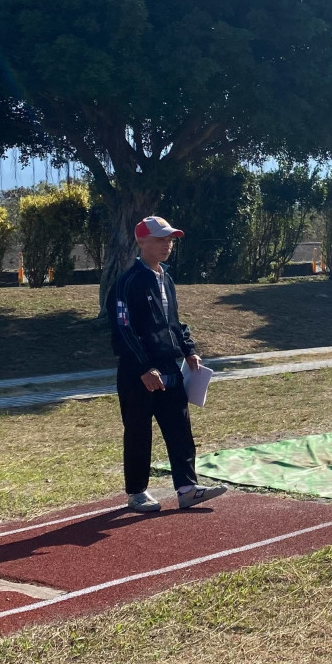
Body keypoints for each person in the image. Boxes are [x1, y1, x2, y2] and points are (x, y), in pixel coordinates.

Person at [106, 215, 226, 512]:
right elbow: (123, 328)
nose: (167, 245)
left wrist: (188, 349)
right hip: (139, 371)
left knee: (179, 427)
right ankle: (136, 492)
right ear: (141, 242)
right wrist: (144, 367)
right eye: (160, 239)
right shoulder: (127, 282)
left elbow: (173, 321)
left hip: (170, 367)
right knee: (138, 430)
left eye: (169, 239)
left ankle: (187, 488)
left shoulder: (166, 278)